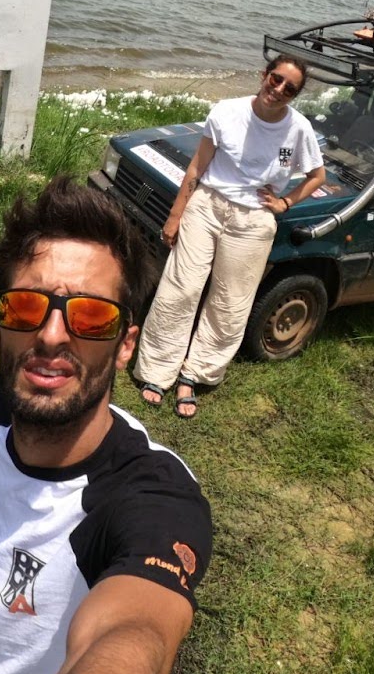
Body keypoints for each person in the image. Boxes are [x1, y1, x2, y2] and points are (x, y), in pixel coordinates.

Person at [0, 177, 212, 674]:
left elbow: (129, 641)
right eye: (26, 307)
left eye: (91, 317)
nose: (51, 336)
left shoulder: (152, 497)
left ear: (125, 345)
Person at [133, 55, 327, 419]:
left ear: (295, 95)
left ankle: (195, 373)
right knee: (181, 287)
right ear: (264, 74)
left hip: (253, 221)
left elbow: (317, 176)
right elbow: (198, 165)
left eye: (289, 88)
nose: (278, 89)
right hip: (206, 206)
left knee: (230, 301)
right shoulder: (227, 111)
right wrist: (175, 216)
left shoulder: (298, 129)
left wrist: (285, 202)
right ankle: (157, 369)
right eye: (276, 79)